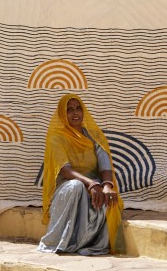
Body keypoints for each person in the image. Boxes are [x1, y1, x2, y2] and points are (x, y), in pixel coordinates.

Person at [39, 94, 124, 255]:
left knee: (108, 198)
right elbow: (65, 170)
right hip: (67, 189)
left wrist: (107, 186)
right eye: (70, 110)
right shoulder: (56, 138)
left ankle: (90, 244)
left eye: (78, 108)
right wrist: (91, 184)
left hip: (94, 187)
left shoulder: (94, 136)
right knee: (76, 186)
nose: (75, 112)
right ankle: (63, 242)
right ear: (63, 114)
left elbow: (105, 164)